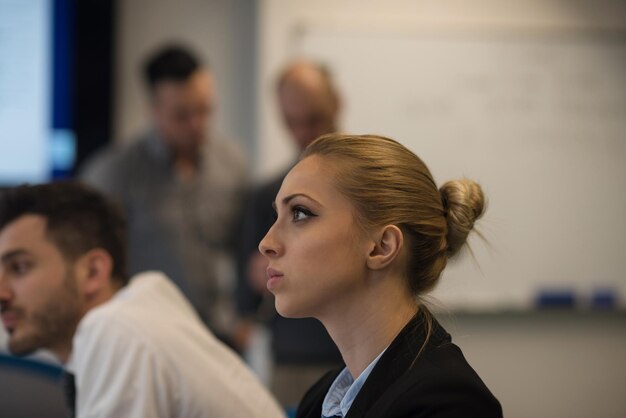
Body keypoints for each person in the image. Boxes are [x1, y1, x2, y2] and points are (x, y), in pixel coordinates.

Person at [258, 134, 503, 417]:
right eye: (277, 215)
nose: (267, 242)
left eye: (300, 213)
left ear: (381, 246)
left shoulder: (449, 405)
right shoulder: (319, 400)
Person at [0, 182, 285, 418]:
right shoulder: (139, 318)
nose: (2, 293)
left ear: (93, 271)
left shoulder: (115, 328)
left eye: (20, 267)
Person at [80, 44, 247, 338]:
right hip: (146, 336)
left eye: (204, 110)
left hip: (220, 334)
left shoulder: (232, 164)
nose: (197, 125)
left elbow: (248, 247)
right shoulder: (112, 175)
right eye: (182, 115)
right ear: (154, 110)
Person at [236, 60, 342, 406]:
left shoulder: (372, 191)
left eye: (313, 119)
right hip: (291, 362)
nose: (303, 134)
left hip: (361, 354)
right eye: (291, 123)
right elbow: (247, 290)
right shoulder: (267, 193)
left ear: (336, 103)